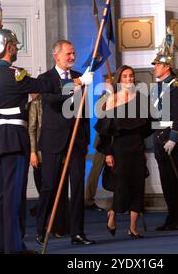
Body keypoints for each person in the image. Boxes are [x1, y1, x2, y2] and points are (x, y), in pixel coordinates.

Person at [0, 31, 93, 254]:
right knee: (20, 195)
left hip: (0, 137)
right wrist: (78, 82)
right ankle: (19, 243)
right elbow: (49, 92)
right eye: (14, 44)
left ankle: (4, 246)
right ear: (9, 47)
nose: (72, 56)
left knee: (2, 196)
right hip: (25, 138)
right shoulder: (22, 75)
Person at [36, 39, 95, 246]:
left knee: (78, 187)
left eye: (73, 53)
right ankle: (42, 228)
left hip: (76, 141)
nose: (72, 57)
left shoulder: (81, 77)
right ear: (57, 55)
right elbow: (52, 100)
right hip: (53, 140)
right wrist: (77, 84)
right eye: (68, 53)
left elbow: (85, 111)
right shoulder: (45, 78)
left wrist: (86, 138)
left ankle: (77, 233)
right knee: (49, 186)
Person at [94, 65, 152, 239]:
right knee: (122, 186)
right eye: (125, 76)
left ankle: (133, 228)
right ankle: (113, 214)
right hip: (119, 148)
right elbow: (105, 131)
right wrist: (108, 153)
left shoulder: (141, 98)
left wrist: (143, 149)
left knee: (138, 186)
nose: (129, 79)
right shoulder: (111, 100)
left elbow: (144, 127)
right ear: (119, 79)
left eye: (131, 76)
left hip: (137, 146)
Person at [151, 30, 178, 231]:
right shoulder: (156, 88)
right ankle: (172, 215)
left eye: (158, 64)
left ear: (167, 67)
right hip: (159, 138)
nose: (155, 67)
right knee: (167, 181)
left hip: (172, 139)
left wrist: (174, 139)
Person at [28, 93, 69, 237]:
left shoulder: (59, 101)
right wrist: (33, 151)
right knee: (46, 189)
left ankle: (59, 226)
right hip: (41, 153)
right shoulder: (35, 104)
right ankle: (43, 226)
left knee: (60, 190)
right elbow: (32, 129)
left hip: (59, 150)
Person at [84, 76, 113, 212]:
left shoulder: (122, 94)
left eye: (111, 81)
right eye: (107, 82)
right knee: (96, 169)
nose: (109, 84)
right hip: (104, 139)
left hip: (119, 138)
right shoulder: (104, 97)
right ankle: (88, 199)